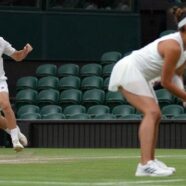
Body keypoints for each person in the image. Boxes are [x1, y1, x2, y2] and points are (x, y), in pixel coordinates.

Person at [108, 6, 186, 177]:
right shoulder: (173, 46)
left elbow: (176, 76)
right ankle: (144, 165)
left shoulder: (184, 51)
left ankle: (150, 160)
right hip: (129, 69)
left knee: (156, 115)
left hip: (141, 76)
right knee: (151, 112)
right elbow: (165, 82)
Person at [0, 36, 33, 152]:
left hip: (0, 80)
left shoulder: (1, 41)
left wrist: (24, 52)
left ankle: (15, 141)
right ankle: (16, 132)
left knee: (5, 105)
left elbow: (17, 56)